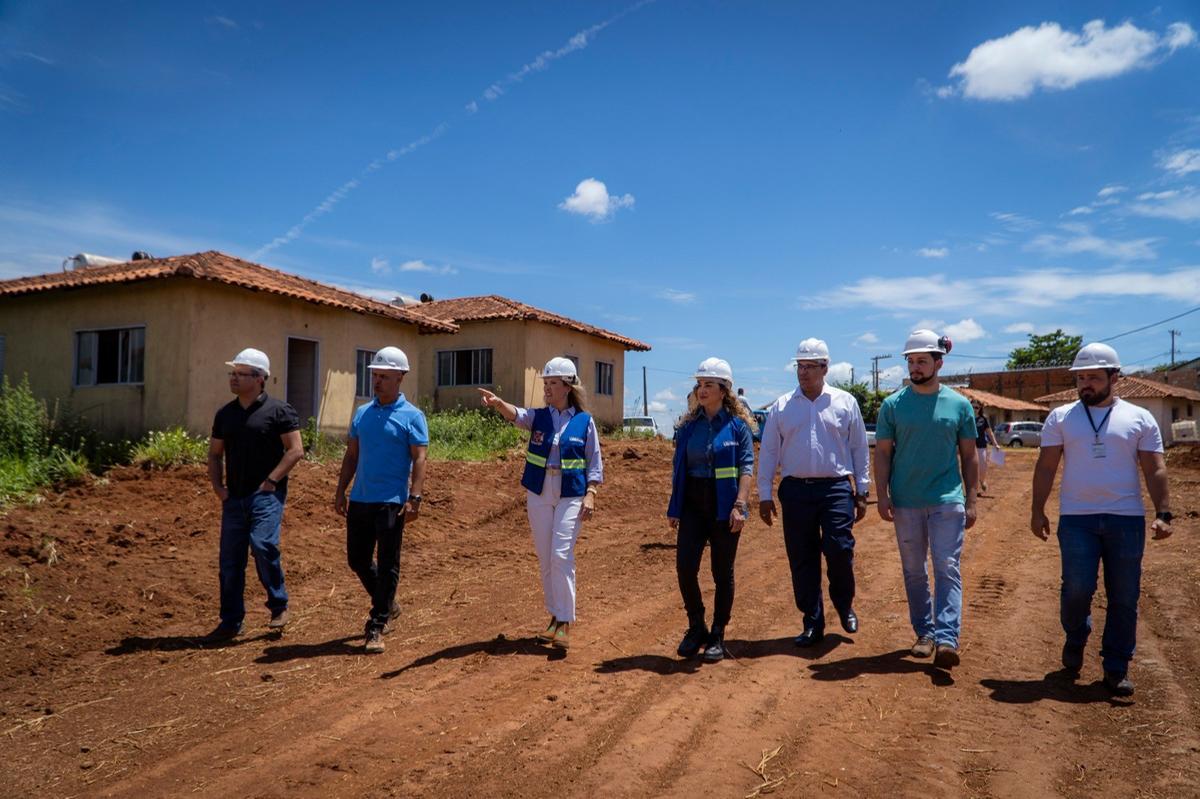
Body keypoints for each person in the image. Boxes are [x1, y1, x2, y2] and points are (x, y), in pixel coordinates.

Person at [1030, 342, 1172, 696]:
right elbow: (1046, 466)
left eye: (1094, 377)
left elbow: (1154, 469)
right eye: (1081, 378)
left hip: (1126, 519)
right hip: (1077, 519)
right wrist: (1037, 509)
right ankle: (1076, 635)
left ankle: (1116, 666)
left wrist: (1164, 512)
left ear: (1114, 377)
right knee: (1076, 589)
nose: (1085, 384)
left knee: (1124, 595)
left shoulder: (1140, 418)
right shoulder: (1061, 417)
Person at [478, 357, 602, 651]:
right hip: (539, 491)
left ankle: (565, 621)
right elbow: (516, 414)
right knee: (546, 558)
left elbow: (594, 461)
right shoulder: (538, 417)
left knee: (561, 555)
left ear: (567, 386)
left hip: (571, 493)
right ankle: (554, 617)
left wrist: (592, 493)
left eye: (552, 384)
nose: (546, 389)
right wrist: (498, 403)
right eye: (545, 384)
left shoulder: (584, 421)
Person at [875, 330, 978, 668]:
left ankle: (948, 638)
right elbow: (884, 454)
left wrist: (972, 499)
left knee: (947, 566)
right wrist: (881, 495)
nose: (915, 367)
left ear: (939, 362)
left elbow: (969, 455)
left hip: (948, 498)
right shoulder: (892, 405)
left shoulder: (959, 404)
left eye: (922, 361)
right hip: (906, 500)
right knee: (914, 570)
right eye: (911, 361)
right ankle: (925, 633)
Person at [759, 339, 869, 648]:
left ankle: (844, 604)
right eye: (799, 366)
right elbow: (768, 452)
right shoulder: (782, 406)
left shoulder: (845, 402)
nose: (803, 372)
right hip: (795, 490)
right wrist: (764, 493)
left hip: (835, 488)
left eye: (809, 367)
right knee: (802, 558)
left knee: (839, 549)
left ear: (825, 368)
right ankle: (812, 620)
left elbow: (859, 447)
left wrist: (862, 490)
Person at [334, 347, 428, 654]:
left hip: (391, 501)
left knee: (388, 563)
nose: (377, 381)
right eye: (375, 375)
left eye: (384, 376)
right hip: (360, 498)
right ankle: (387, 603)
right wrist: (340, 490)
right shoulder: (362, 413)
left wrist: (415, 498)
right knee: (357, 560)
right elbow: (352, 455)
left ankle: (376, 625)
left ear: (400, 377)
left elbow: (420, 458)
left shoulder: (412, 416)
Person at [206, 348, 303, 641]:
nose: (234, 378)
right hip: (234, 497)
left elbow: (295, 450)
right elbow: (214, 454)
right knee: (230, 561)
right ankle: (231, 622)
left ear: (260, 379)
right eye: (232, 373)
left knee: (263, 545)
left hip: (265, 496)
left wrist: (272, 481)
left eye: (241, 374)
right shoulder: (225, 414)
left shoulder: (279, 411)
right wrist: (218, 488)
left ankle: (278, 605)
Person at [667, 358, 756, 662]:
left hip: (724, 506)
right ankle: (696, 626)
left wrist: (740, 506)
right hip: (693, 503)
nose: (701, 390)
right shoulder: (688, 426)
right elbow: (679, 469)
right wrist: (675, 506)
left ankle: (717, 634)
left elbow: (746, 467)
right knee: (685, 568)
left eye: (708, 385)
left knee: (722, 572)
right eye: (699, 385)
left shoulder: (737, 427)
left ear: (724, 390)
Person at [972, 400, 1000, 495]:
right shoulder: (967, 418)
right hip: (970, 447)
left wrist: (995, 444)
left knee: (983, 466)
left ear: (980, 409)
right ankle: (973, 488)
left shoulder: (983, 419)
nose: (974, 409)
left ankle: (982, 480)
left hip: (981, 446)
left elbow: (989, 432)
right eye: (973, 407)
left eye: (977, 407)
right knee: (971, 468)